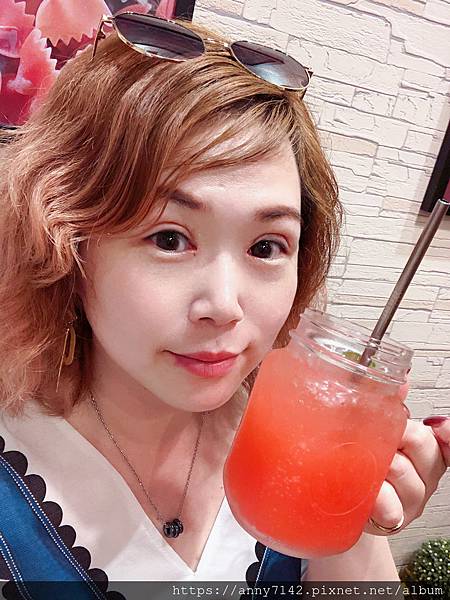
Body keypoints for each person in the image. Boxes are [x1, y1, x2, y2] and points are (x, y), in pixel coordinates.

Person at [0, 12, 448, 597]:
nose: (225, 306)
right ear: (65, 241)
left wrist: (351, 520)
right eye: (169, 238)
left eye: (266, 247)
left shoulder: (293, 441)